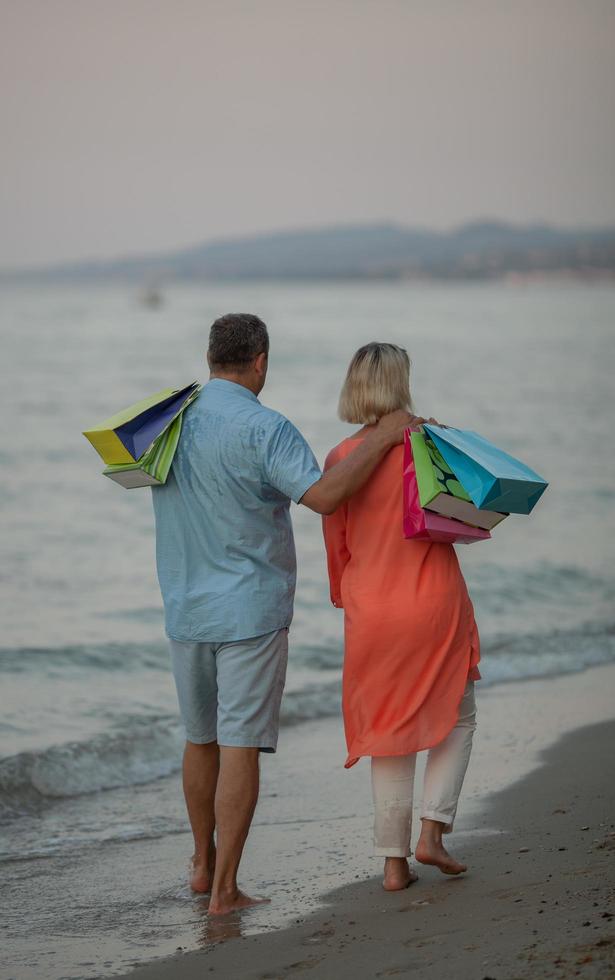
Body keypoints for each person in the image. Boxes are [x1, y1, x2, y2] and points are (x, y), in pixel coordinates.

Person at [151, 315, 423, 915]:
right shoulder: (265, 427)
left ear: (210, 356)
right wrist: (382, 439)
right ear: (261, 361)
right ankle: (225, 891)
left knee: (200, 740)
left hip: (185, 604)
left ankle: (201, 866)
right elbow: (323, 496)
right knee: (239, 744)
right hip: (249, 607)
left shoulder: (167, 422)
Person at [323, 342, 480, 892]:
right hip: (432, 597)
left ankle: (393, 865)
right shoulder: (430, 443)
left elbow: (338, 549)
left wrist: (352, 599)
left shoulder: (340, 459)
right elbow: (469, 515)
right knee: (457, 716)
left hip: (373, 610)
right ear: (401, 384)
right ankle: (432, 833)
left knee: (387, 730)